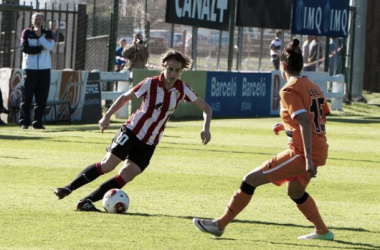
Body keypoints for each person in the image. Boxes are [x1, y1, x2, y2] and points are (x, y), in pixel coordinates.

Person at [193, 39, 334, 241]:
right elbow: (317, 118)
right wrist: (287, 127)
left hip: (303, 152)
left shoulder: (288, 89)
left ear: (283, 66)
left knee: (250, 179)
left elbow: (304, 121)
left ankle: (220, 224)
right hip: (318, 147)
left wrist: (308, 159)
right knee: (295, 190)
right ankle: (323, 231)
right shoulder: (314, 87)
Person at [54, 49, 213, 212]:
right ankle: (68, 188)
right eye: (170, 69)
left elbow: (206, 108)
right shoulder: (150, 83)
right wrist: (107, 116)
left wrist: (205, 128)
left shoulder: (182, 89)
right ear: (163, 67)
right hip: (131, 131)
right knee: (107, 165)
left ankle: (86, 201)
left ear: (181, 71)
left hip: (150, 141)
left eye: (177, 70)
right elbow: (124, 97)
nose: (173, 73)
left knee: (127, 175)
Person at [19, 12, 55, 129]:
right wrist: (40, 48)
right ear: (32, 20)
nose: (38, 21)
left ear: (43, 21)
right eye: (36, 19)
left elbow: (49, 47)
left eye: (40, 19)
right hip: (30, 69)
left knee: (42, 98)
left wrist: (40, 37)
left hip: (45, 70)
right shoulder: (27, 32)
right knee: (26, 97)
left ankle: (37, 122)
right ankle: (24, 122)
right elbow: (25, 49)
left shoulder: (47, 33)